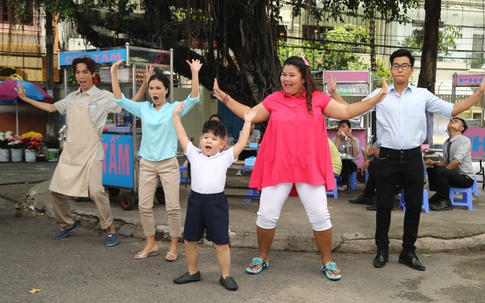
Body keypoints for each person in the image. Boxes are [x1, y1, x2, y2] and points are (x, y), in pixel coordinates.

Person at [213, 55, 388, 281]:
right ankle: (262, 256)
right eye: (284, 74)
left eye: (291, 75)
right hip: (279, 166)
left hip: (309, 167)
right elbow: (250, 114)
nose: (286, 79)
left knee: (320, 216)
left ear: (303, 79)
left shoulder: (318, 99)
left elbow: (346, 112)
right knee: (266, 215)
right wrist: (225, 98)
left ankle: (327, 260)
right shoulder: (274, 99)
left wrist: (375, 100)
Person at [361, 48, 485, 271]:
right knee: (384, 205)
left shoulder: (422, 95)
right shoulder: (380, 93)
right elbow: (353, 110)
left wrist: (478, 94)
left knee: (414, 206)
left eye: (404, 66)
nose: (400, 69)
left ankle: (408, 252)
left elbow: (452, 109)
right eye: (396, 65)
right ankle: (382, 250)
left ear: (411, 69)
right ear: (391, 69)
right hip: (387, 157)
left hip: (412, 158)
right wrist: (333, 93)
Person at [15, 57, 148, 246]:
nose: (81, 76)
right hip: (70, 152)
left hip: (91, 151)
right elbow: (52, 107)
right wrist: (25, 98)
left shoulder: (103, 96)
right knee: (56, 191)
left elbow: (127, 105)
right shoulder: (72, 97)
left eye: (84, 72)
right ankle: (67, 223)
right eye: (77, 72)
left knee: (96, 191)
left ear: (92, 75)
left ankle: (109, 228)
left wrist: (142, 86)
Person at [110, 58, 202, 260]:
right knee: (144, 205)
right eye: (151, 88)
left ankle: (174, 245)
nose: (154, 92)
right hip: (147, 164)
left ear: (166, 90)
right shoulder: (143, 108)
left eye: (158, 88)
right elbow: (120, 100)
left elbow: (194, 98)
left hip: (168, 163)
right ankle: (151, 243)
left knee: (173, 207)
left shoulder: (174, 108)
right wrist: (114, 75)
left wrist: (194, 73)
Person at [172, 103, 257, 291]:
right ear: (201, 139)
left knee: (221, 242)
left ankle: (226, 276)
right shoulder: (194, 153)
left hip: (216, 203)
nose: (209, 141)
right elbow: (182, 135)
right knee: (189, 240)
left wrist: (247, 122)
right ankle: (193, 272)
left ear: (222, 143)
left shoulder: (225, 157)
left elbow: (242, 143)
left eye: (214, 138)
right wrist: (176, 115)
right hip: (196, 201)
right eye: (206, 137)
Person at [425, 117, 475, 211]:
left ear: (461, 128)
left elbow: (456, 161)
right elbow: (446, 162)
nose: (452, 121)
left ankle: (445, 201)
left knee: (440, 172)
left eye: (456, 121)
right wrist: (434, 163)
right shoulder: (447, 142)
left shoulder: (464, 140)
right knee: (432, 168)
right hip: (454, 175)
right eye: (451, 121)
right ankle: (439, 194)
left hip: (465, 178)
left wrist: (442, 173)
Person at [349, 142, 380, 207]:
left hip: (397, 168)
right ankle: (367, 196)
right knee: (373, 164)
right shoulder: (383, 137)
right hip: (388, 163)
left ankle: (370, 196)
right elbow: (370, 152)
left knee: (374, 165)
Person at [332, 120, 360, 191]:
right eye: (339, 127)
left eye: (343, 127)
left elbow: (355, 154)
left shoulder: (355, 139)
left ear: (349, 129)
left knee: (347, 163)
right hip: (338, 162)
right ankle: (342, 183)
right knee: (341, 163)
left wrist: (352, 139)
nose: (341, 129)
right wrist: (338, 138)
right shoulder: (335, 139)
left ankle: (344, 183)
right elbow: (333, 152)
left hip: (351, 163)